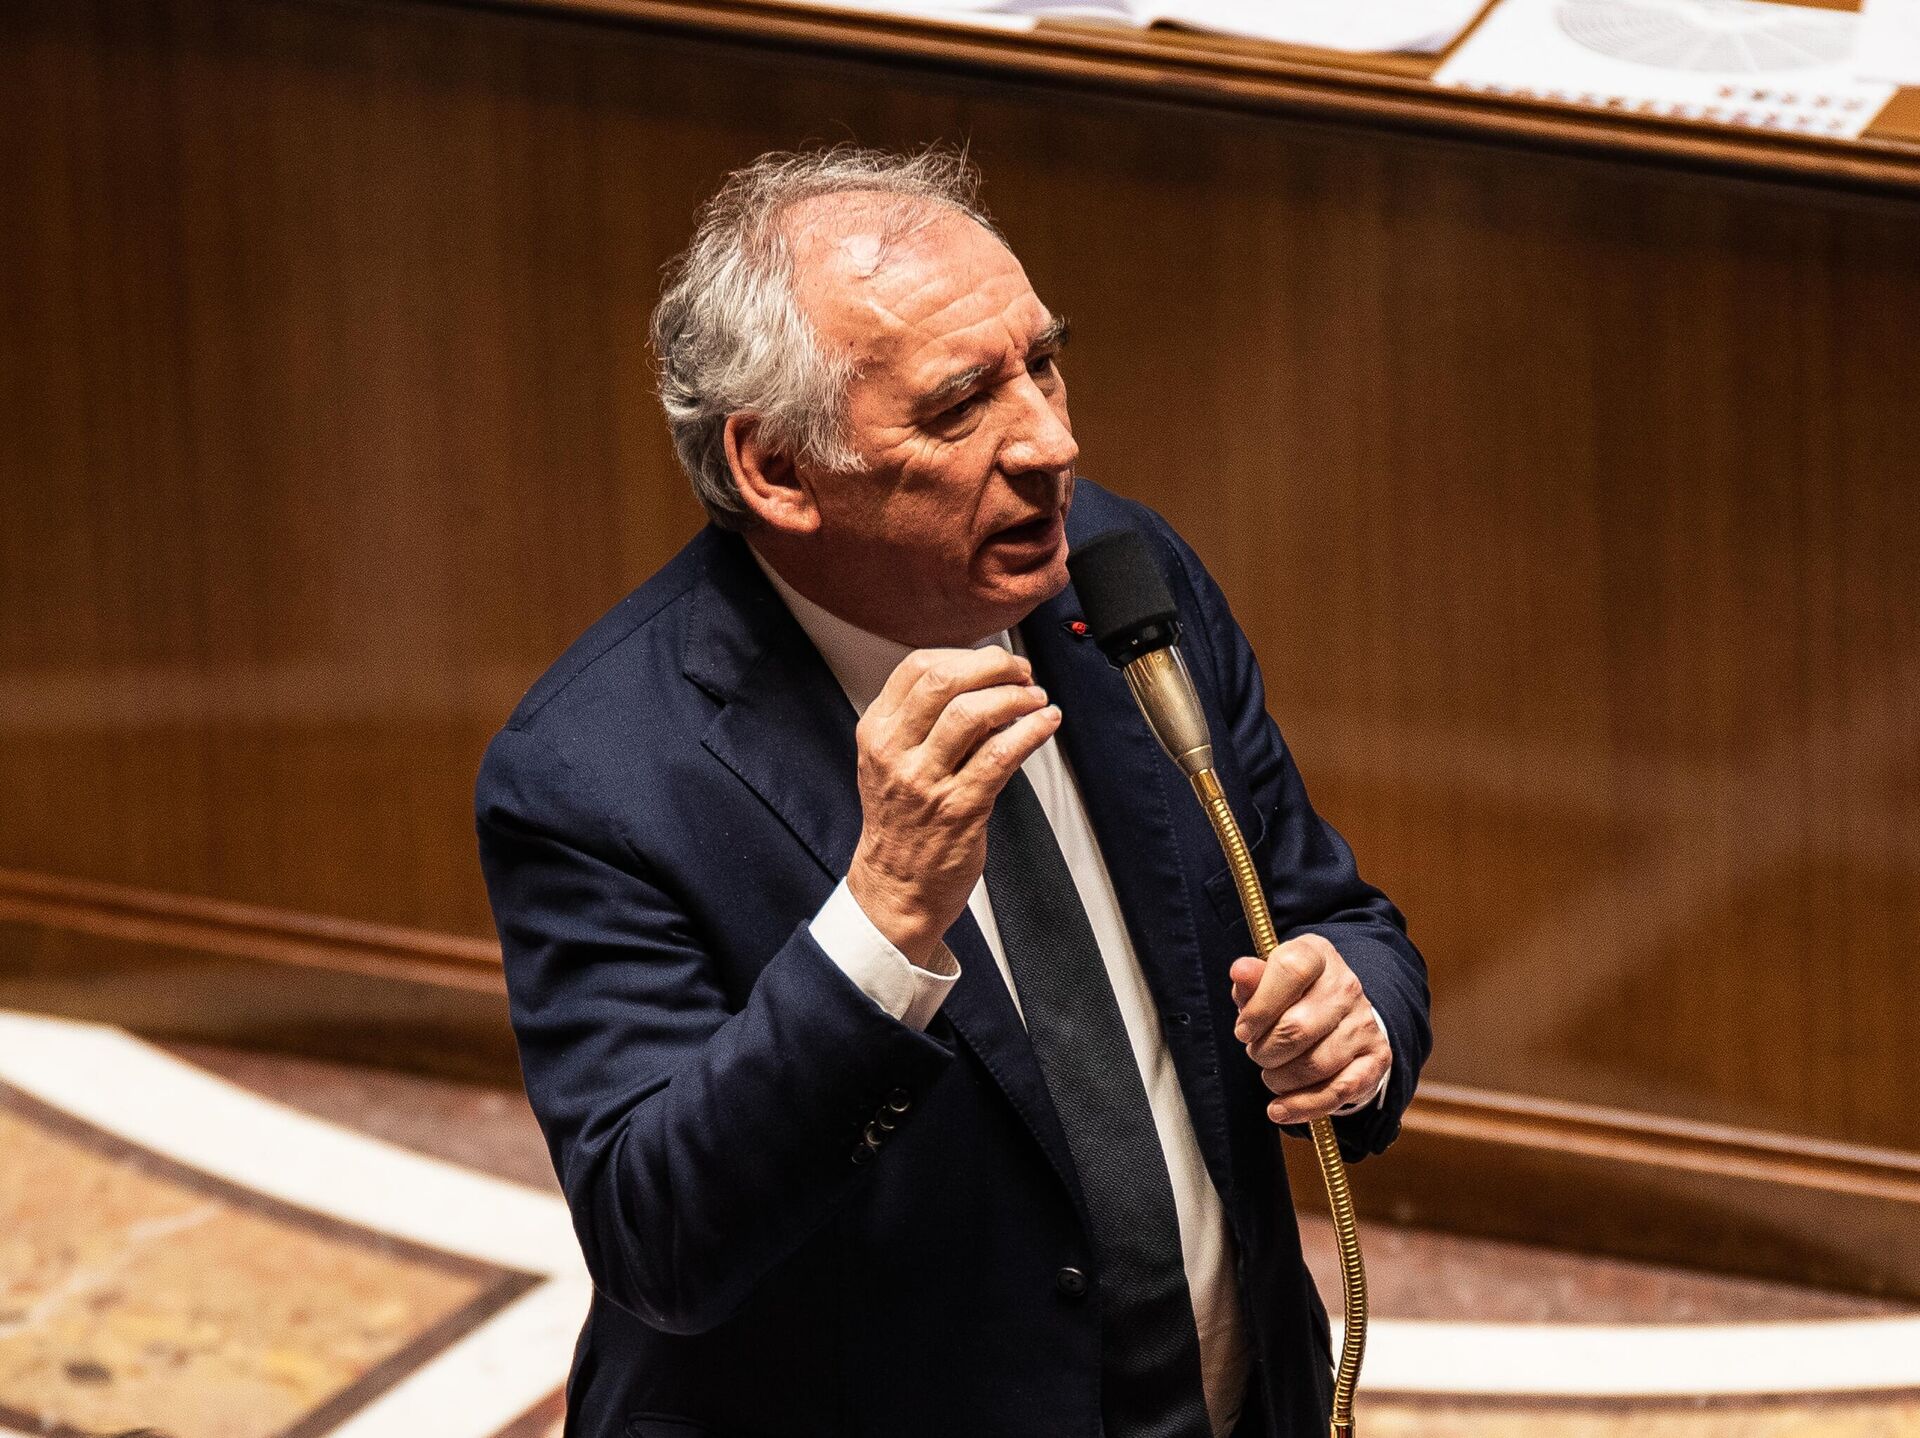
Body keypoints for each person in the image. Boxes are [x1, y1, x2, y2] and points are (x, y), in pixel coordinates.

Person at [475, 145, 1430, 1438]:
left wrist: (1355, 1017)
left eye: (1043, 362)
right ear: (778, 469)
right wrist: (880, 922)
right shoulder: (599, 770)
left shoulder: (1121, 576)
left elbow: (1331, 911)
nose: (1051, 441)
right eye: (959, 405)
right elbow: (662, 1240)